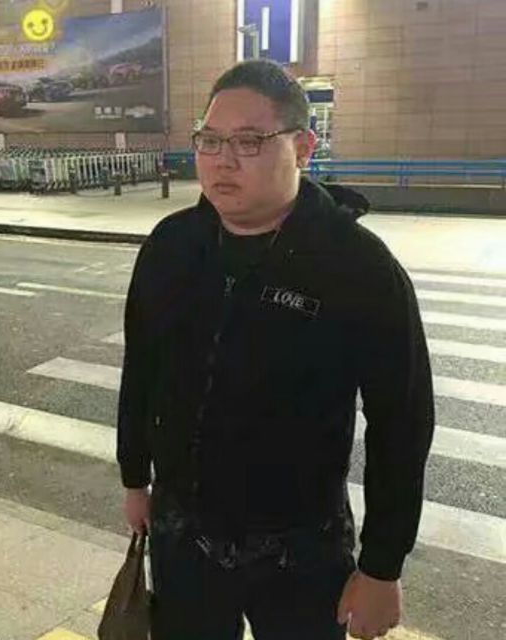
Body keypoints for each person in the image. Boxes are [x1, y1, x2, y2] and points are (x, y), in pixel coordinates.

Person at [117, 59, 434, 640]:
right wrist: (135, 476)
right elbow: (142, 369)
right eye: (210, 140)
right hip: (183, 534)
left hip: (302, 549)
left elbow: (403, 423)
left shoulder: (357, 266)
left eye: (249, 142)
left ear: (303, 147)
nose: (223, 161)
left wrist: (381, 567)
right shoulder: (172, 247)